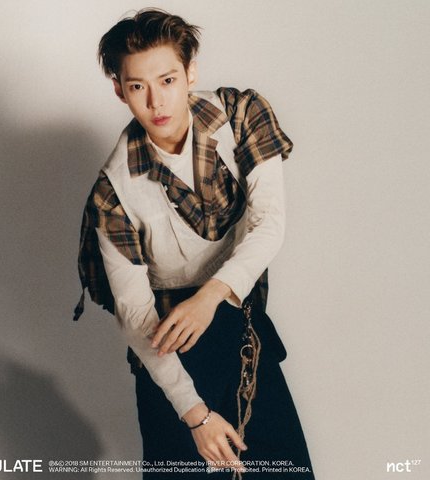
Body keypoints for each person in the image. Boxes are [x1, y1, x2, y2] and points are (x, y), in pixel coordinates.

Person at [74, 8, 315, 479]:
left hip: (241, 330)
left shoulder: (242, 116)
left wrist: (210, 298)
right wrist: (195, 415)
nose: (156, 101)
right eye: (138, 86)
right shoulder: (112, 191)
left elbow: (268, 224)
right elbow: (136, 316)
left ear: (191, 73)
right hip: (167, 351)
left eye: (167, 80)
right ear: (119, 90)